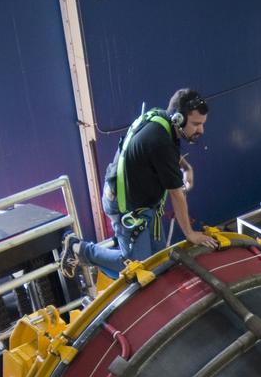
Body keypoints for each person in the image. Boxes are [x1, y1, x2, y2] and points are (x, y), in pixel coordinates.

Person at [60, 88, 218, 280]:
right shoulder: (159, 140)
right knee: (137, 269)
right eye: (196, 124)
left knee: (158, 263)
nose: (201, 130)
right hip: (127, 206)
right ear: (178, 118)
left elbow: (164, 154)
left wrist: (186, 167)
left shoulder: (162, 121)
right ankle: (79, 249)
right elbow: (177, 194)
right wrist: (190, 234)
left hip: (143, 203)